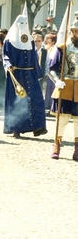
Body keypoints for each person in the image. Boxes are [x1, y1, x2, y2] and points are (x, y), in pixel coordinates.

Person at [3, 11, 47, 138]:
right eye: (21, 23)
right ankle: (16, 128)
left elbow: (34, 56)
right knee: (18, 101)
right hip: (17, 75)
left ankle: (38, 127)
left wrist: (39, 73)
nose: (23, 25)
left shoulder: (30, 41)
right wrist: (8, 65)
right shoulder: (10, 41)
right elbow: (6, 55)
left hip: (31, 74)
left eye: (25, 23)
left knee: (36, 100)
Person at [49, 20, 78, 161]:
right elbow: (52, 69)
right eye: (74, 31)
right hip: (65, 86)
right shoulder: (62, 48)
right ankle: (57, 146)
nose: (76, 34)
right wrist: (57, 81)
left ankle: (77, 149)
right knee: (62, 119)